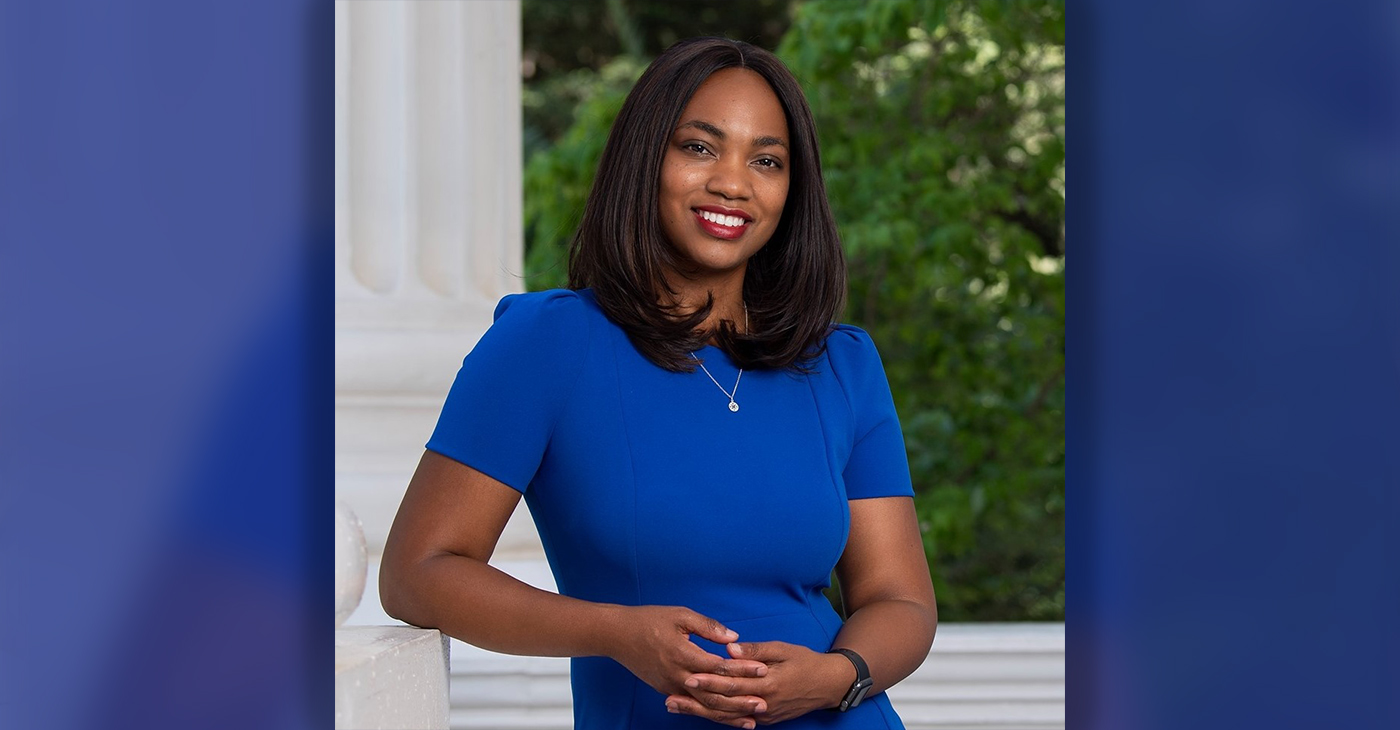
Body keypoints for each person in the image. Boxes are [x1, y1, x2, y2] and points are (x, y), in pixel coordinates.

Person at [379, 37, 937, 729]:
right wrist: (613, 632)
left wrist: (836, 677)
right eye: (700, 147)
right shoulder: (547, 344)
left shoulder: (841, 362)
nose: (733, 183)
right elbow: (418, 571)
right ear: (647, 159)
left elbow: (899, 600)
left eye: (766, 160)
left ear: (792, 191)